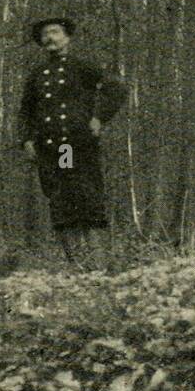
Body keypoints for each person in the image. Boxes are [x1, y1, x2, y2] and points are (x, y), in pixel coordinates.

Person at [18, 16, 126, 268]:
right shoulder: (36, 75)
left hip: (77, 145)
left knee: (88, 199)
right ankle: (76, 264)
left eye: (55, 32)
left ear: (67, 37)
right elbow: (25, 111)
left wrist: (99, 117)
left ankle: (97, 265)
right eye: (45, 35)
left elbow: (116, 88)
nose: (50, 38)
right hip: (49, 149)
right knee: (60, 203)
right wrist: (26, 140)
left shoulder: (82, 67)